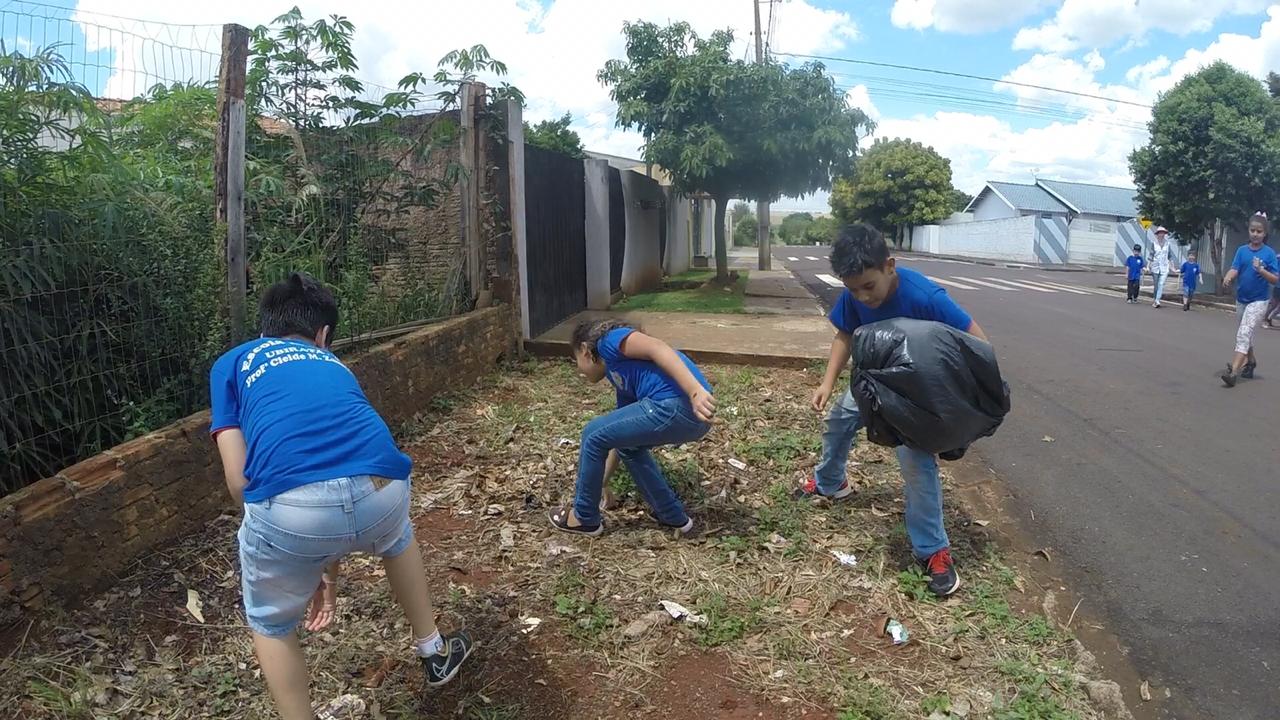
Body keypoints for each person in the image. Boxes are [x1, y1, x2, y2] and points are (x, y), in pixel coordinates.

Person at [210, 273, 472, 720]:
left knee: (271, 623)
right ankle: (434, 651)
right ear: (323, 335)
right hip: (384, 490)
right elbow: (341, 467)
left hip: (290, 512)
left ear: (263, 329)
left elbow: (240, 484)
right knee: (396, 537)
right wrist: (323, 565)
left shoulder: (233, 362)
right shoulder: (335, 364)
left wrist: (297, 553)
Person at [802, 223, 988, 597]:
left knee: (916, 466)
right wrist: (826, 382)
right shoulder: (855, 296)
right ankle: (830, 482)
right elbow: (845, 334)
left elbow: (978, 342)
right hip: (872, 381)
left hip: (914, 397)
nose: (862, 297)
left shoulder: (926, 297)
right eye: (852, 289)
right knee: (839, 420)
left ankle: (933, 550)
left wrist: (957, 403)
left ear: (890, 265)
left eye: (868, 286)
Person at [550, 319, 715, 537]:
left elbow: (658, 348)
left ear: (584, 350)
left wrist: (695, 391)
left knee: (591, 433)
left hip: (679, 404)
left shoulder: (608, 341)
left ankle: (583, 518)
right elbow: (618, 440)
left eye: (576, 360)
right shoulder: (623, 379)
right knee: (628, 446)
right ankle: (673, 517)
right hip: (693, 418)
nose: (578, 369)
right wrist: (601, 484)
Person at [1220, 213, 1279, 387]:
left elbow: (1275, 279)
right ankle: (1250, 362)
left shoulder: (1268, 254)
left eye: (1259, 231)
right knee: (1246, 333)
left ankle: (1234, 372)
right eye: (1252, 230)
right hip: (1242, 299)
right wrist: (1228, 277)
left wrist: (1261, 270)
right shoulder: (1241, 251)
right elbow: (1235, 268)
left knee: (1244, 333)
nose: (1255, 234)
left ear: (1264, 233)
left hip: (1259, 301)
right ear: (1249, 231)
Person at [1149, 227, 1174, 308]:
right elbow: (1151, 255)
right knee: (1156, 285)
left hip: (1164, 267)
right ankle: (1155, 300)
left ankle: (1157, 300)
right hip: (1155, 266)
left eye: (1163, 233)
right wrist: (1147, 266)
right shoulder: (1154, 243)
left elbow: (1169, 256)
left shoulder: (1168, 244)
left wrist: (1172, 268)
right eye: (1160, 233)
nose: (1161, 234)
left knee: (1161, 284)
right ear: (1157, 234)